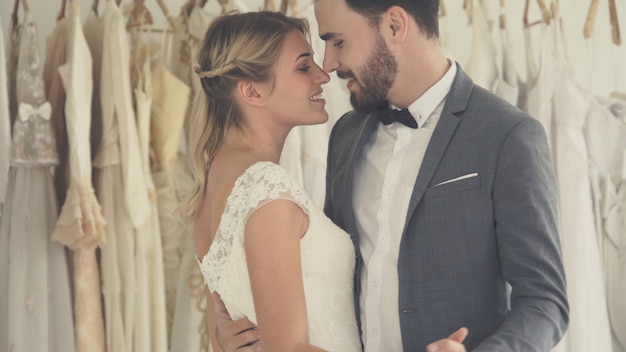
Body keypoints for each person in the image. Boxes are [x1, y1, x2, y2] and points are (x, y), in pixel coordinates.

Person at [214, 0, 570, 351]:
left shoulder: (507, 134)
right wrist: (249, 333)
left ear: (395, 25)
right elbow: (325, 274)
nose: (329, 63)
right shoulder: (346, 135)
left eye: (337, 41)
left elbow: (544, 301)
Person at [185, 10, 362, 352]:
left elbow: (223, 337)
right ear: (252, 92)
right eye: (302, 66)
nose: (323, 76)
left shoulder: (213, 182)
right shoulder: (266, 185)